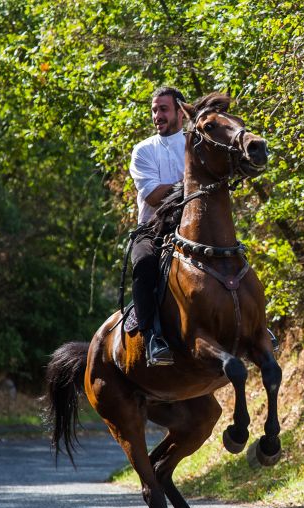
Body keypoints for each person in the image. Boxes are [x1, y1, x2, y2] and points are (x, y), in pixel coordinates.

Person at [127, 86, 187, 366]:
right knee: (144, 265)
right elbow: (152, 195)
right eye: (154, 110)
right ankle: (152, 338)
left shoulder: (197, 143)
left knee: (233, 253)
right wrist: (191, 185)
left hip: (192, 224)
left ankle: (255, 327)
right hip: (152, 229)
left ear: (181, 112)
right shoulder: (143, 151)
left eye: (163, 109)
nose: (157, 115)